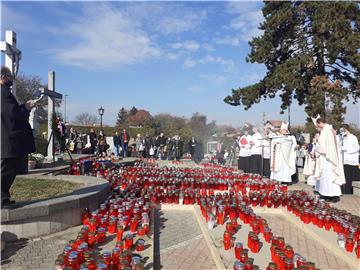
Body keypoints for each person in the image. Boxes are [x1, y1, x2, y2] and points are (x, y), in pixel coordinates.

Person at [1, 66, 36, 209]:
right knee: (6, 170)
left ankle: (4, 197)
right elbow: (12, 113)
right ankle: (2, 200)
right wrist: (26, 107)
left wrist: (23, 107)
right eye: (9, 76)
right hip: (8, 139)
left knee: (9, 169)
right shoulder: (3, 93)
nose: (11, 79)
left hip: (7, 138)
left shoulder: (4, 93)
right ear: (3, 77)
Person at [313, 117, 345, 202]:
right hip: (331, 157)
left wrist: (316, 142)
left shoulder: (325, 131)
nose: (317, 126)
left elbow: (322, 147)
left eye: (317, 124)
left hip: (327, 158)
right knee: (332, 177)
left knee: (328, 177)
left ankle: (329, 195)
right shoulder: (330, 129)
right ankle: (334, 195)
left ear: (320, 123)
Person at [340, 124, 359, 194]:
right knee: (346, 178)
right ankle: (346, 191)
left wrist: (347, 151)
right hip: (345, 161)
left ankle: (351, 192)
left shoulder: (353, 137)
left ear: (346, 129)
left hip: (352, 161)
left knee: (352, 177)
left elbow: (357, 147)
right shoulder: (343, 138)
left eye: (342, 130)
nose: (341, 132)